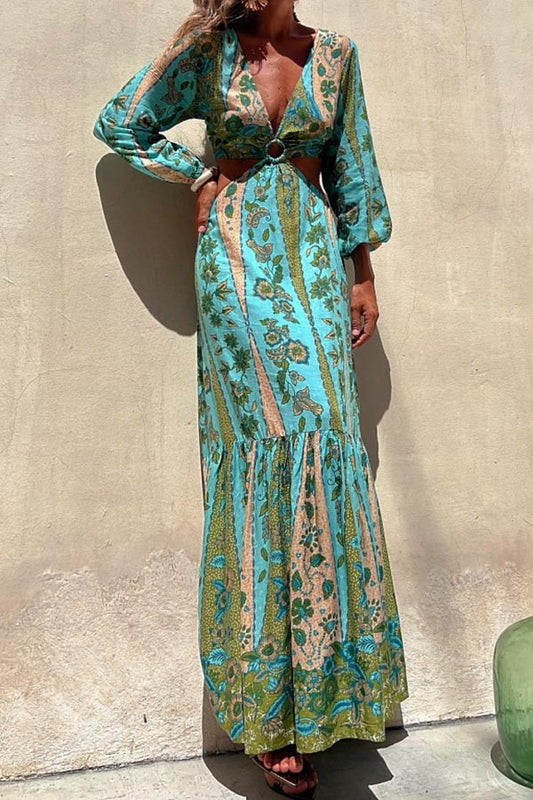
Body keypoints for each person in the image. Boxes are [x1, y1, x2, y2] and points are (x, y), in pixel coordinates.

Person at [93, 0, 409, 796]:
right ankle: (268, 712)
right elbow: (122, 121)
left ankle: (329, 695)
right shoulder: (209, 51)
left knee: (324, 445)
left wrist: (362, 274)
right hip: (233, 261)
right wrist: (197, 175)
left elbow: (352, 166)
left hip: (313, 254)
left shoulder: (333, 55)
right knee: (264, 457)